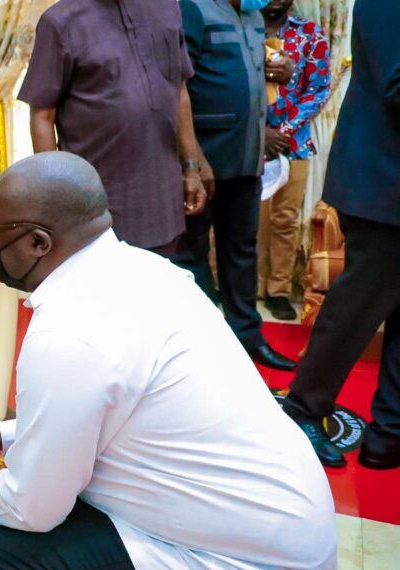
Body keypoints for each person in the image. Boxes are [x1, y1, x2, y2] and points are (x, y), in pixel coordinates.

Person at [0, 152, 337, 570]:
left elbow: (30, 509)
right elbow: (99, 414)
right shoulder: (150, 270)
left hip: (243, 557)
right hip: (288, 528)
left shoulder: (67, 334)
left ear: (36, 242)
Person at [281, 0, 400, 470]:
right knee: (356, 309)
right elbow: (396, 87)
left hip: (387, 187)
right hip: (383, 186)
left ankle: (389, 433)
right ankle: (302, 410)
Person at [18, 0, 208, 257]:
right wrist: (55, 199)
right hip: (97, 202)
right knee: (106, 291)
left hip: (163, 197)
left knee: (161, 288)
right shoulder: (61, 21)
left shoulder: (166, 7)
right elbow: (42, 115)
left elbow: (179, 89)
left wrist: (191, 167)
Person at [176, 0, 298, 371]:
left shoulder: (252, 14)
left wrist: (282, 72)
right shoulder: (194, 9)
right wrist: (193, 162)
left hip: (248, 156)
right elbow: (178, 86)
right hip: (206, 157)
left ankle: (248, 337)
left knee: (241, 249)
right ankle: (202, 339)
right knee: (191, 252)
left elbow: (246, 78)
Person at [259, 0, 331, 321]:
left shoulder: (311, 34)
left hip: (295, 144)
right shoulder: (243, 29)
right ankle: (243, 287)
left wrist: (282, 131)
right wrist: (260, 133)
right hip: (245, 141)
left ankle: (278, 292)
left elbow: (317, 90)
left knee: (285, 220)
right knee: (244, 219)